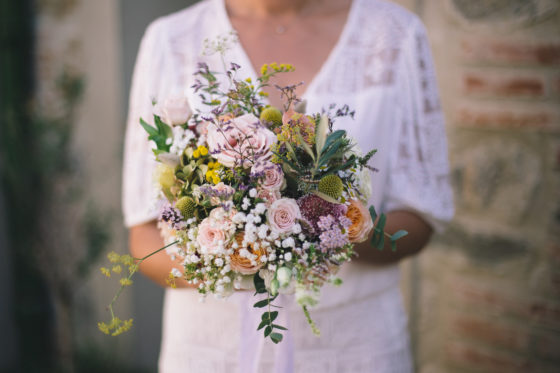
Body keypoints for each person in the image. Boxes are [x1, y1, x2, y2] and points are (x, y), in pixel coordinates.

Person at [122, 0, 454, 371]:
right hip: (212, 349)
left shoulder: (396, 35)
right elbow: (144, 235)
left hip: (354, 346)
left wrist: (329, 232)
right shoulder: (170, 39)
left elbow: (421, 217)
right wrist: (231, 263)